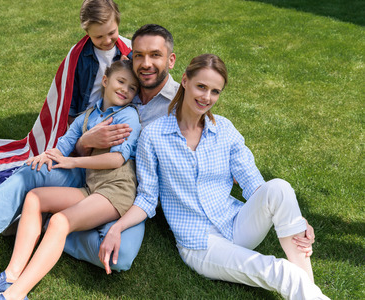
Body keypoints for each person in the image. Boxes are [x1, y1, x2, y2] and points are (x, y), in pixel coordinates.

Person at [0, 23, 180, 299]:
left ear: (170, 60)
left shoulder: (177, 105)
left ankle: (37, 226)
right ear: (129, 56)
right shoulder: (109, 95)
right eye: (139, 55)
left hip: (123, 190)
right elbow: (71, 143)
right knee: (32, 173)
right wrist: (85, 143)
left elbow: (135, 164)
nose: (145, 63)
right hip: (88, 176)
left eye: (155, 56)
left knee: (117, 257)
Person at [98, 54, 329, 299]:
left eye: (215, 91)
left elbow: (254, 183)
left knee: (280, 187)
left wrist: (295, 218)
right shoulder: (153, 136)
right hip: (200, 244)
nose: (207, 97)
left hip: (236, 224)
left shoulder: (225, 130)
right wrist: (117, 228)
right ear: (185, 81)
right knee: (281, 271)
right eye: (201, 86)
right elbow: (146, 198)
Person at [0, 60, 141, 300]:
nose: (125, 89)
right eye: (121, 81)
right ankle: (11, 274)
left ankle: (17, 294)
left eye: (132, 88)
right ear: (106, 81)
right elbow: (62, 147)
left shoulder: (129, 115)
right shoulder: (88, 116)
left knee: (60, 222)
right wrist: (46, 156)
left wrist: (74, 162)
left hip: (116, 191)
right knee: (34, 198)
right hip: (91, 188)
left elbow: (115, 160)